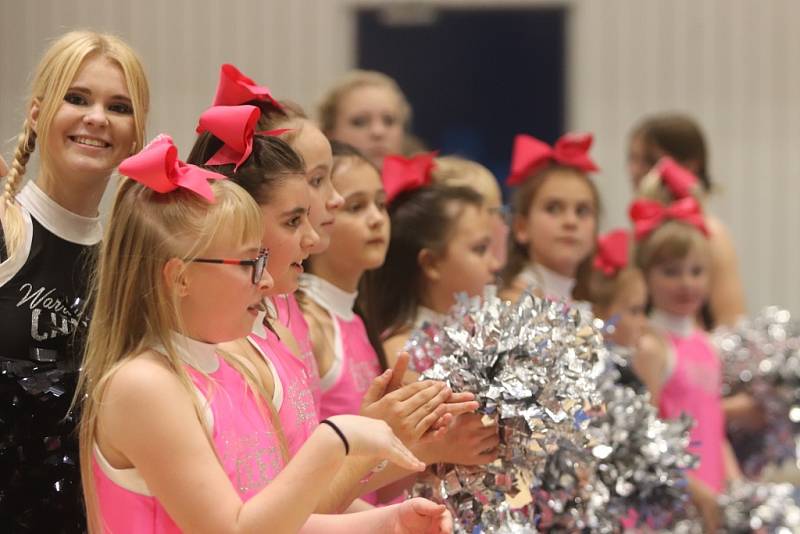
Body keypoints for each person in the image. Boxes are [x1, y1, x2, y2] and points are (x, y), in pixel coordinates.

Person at [0, 30, 149, 532]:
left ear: (135, 136)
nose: (96, 118)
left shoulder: (128, 272)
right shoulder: (5, 232)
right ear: (38, 115)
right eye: (78, 98)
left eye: (119, 106)